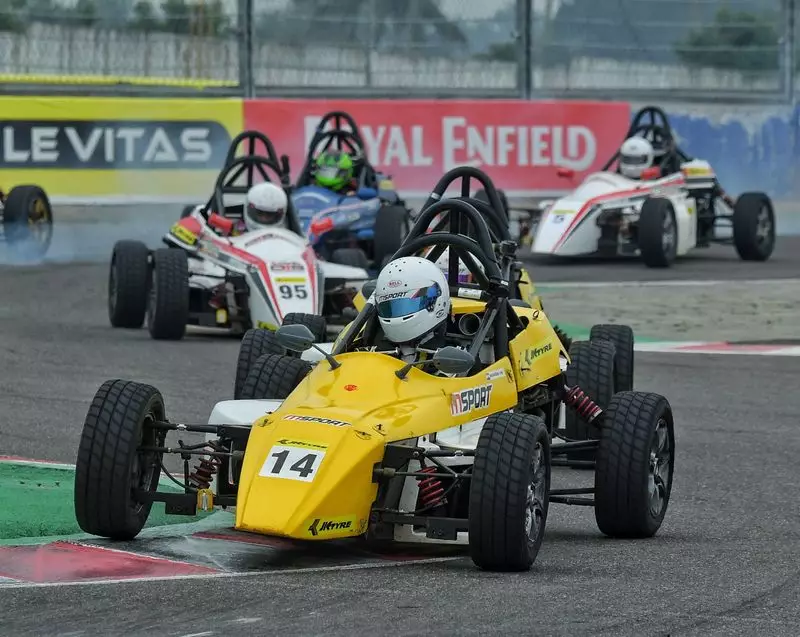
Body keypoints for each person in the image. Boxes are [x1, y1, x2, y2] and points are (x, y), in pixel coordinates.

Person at [371, 256, 451, 365]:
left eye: (410, 304)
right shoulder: (376, 346)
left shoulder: (454, 353)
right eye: (390, 307)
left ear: (435, 300)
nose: (399, 314)